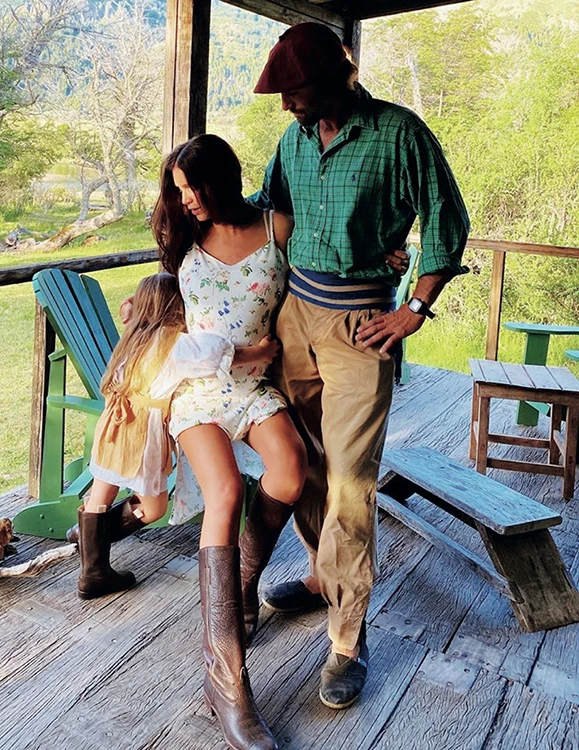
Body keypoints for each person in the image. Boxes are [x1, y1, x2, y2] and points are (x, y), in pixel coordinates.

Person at [248, 22, 470, 711]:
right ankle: (324, 578)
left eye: (295, 90)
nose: (287, 104)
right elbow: (269, 209)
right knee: (307, 465)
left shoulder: (398, 134)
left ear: (332, 78)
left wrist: (415, 308)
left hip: (359, 328)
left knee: (349, 479)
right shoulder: (292, 140)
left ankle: (347, 639)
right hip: (293, 319)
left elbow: (446, 219)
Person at [151, 133, 310, 750]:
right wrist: (243, 350)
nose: (187, 201)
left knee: (290, 470)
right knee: (223, 494)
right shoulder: (186, 240)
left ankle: (243, 582)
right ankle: (228, 682)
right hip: (197, 389)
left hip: (254, 390)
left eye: (194, 188)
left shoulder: (277, 229)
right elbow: (182, 334)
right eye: (179, 192)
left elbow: (326, 264)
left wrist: (391, 262)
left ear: (224, 178)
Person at [70, 271, 278, 602]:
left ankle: (90, 557)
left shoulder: (133, 337)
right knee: (153, 508)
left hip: (113, 424)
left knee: (99, 496)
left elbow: (130, 310)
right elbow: (219, 354)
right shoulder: (175, 344)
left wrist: (132, 308)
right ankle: (92, 561)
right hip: (142, 432)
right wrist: (261, 353)